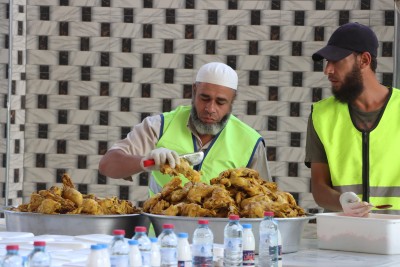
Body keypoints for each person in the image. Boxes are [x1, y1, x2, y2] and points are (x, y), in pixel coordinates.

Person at [99, 62, 271, 196]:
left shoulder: (251, 143)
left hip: (221, 240)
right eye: (204, 98)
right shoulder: (159, 126)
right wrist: (147, 162)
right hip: (162, 237)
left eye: (220, 102)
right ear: (194, 90)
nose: (210, 108)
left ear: (232, 100)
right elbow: (107, 165)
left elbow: (266, 200)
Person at [305, 22, 400, 217]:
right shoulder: (322, 115)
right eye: (326, 62)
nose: (328, 70)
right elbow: (319, 187)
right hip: (343, 235)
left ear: (364, 60)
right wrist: (341, 202)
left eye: (336, 61)